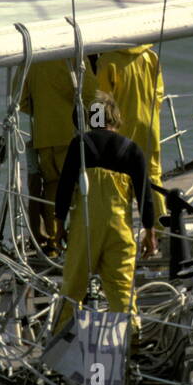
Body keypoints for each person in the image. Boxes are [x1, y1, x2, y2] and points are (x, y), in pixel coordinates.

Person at [54, 92, 159, 333]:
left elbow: (64, 187)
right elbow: (145, 195)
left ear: (93, 118)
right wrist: (149, 231)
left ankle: (61, 340)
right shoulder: (132, 150)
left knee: (73, 288)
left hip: (86, 229)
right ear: (115, 117)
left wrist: (59, 225)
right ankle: (129, 343)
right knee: (122, 291)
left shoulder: (80, 145)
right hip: (119, 228)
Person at [21, 57, 98, 255]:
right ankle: (76, 242)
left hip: (43, 136)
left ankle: (53, 244)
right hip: (70, 135)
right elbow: (91, 96)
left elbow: (21, 101)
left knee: (51, 189)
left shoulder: (31, 60)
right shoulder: (75, 58)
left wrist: (44, 110)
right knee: (76, 190)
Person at [96, 44, 167, 220]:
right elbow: (159, 93)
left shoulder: (107, 61)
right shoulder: (151, 57)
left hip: (120, 130)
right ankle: (161, 227)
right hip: (149, 125)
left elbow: (101, 100)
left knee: (120, 180)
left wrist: (97, 133)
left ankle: (124, 231)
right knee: (152, 176)